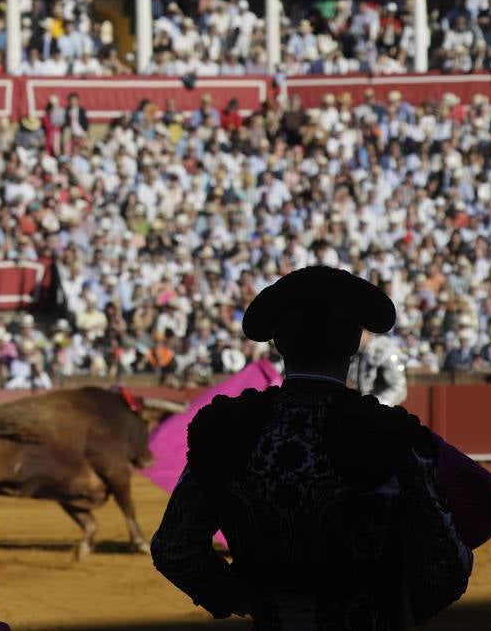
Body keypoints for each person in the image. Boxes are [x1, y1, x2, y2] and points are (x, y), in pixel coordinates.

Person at [151, 266, 472, 629]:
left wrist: (246, 598)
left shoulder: (228, 429)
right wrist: (384, 611)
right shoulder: (392, 437)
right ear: (353, 344)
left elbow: (174, 549)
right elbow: (447, 566)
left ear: (278, 343)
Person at [350, 326, 408, 406]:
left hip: (379, 410)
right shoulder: (357, 354)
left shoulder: (385, 350)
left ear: (367, 332)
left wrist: (378, 406)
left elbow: (399, 387)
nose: (353, 337)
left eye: (358, 332)